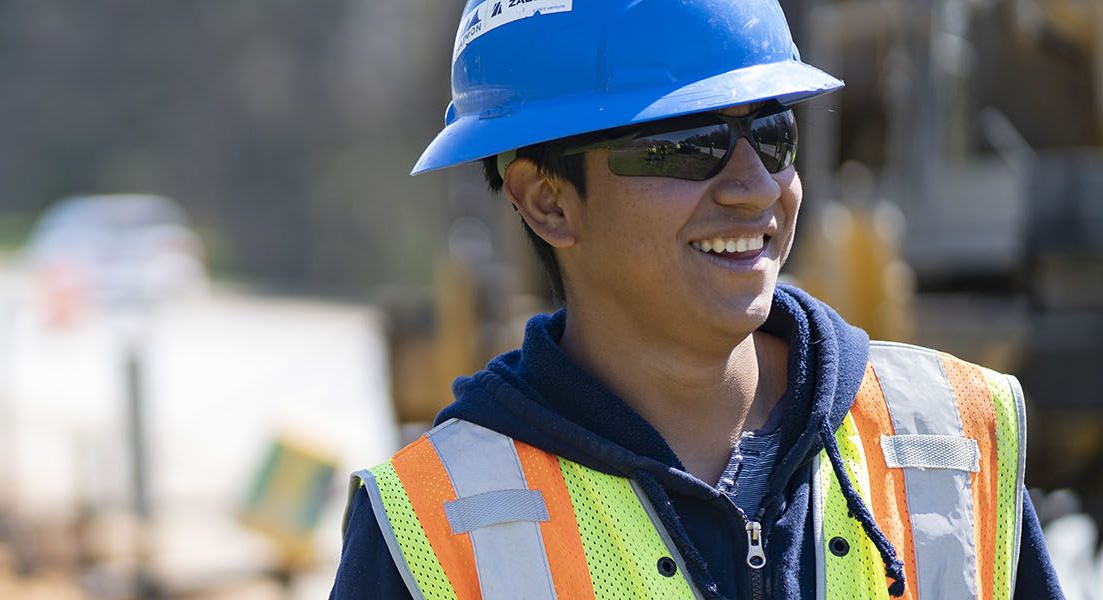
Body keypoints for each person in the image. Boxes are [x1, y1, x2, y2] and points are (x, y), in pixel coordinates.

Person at [330, 0, 1063, 598]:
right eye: (685, 144)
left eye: (772, 135)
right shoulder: (435, 526)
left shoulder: (951, 443)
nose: (754, 187)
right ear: (547, 202)